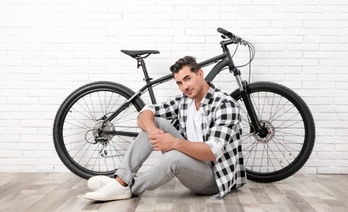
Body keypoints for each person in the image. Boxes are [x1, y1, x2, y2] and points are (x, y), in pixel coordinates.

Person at [84, 56, 246, 201]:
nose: (184, 87)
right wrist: (152, 129)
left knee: (173, 157)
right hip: (192, 162)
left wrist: (174, 143)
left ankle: (128, 188)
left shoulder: (225, 104)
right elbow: (145, 112)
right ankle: (121, 180)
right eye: (180, 83)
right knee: (156, 122)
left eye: (188, 79)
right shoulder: (185, 100)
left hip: (214, 178)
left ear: (200, 74)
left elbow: (212, 152)